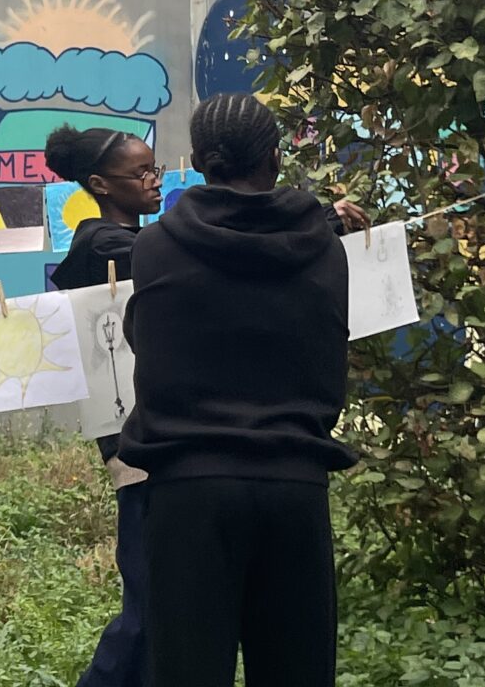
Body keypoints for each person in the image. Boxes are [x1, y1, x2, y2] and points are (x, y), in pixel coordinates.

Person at [122, 93, 367, 687]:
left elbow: (146, 343)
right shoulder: (324, 247)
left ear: (200, 161)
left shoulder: (154, 247)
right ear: (275, 157)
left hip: (189, 491)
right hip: (295, 485)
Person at [43, 125, 165, 687]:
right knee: (149, 596)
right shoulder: (102, 245)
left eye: (154, 168)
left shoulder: (130, 240)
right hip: (134, 436)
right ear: (100, 185)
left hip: (151, 430)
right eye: (141, 173)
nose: (155, 180)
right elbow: (180, 253)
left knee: (162, 596)